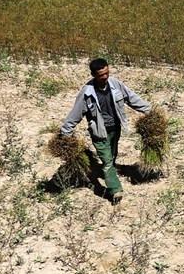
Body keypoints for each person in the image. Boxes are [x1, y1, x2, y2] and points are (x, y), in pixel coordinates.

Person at [59, 58, 151, 205]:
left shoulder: (115, 84)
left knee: (113, 155)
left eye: (107, 73)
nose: (105, 77)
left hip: (115, 128)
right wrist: (65, 132)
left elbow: (131, 98)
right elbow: (75, 114)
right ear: (93, 75)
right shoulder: (87, 93)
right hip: (99, 132)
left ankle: (109, 174)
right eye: (101, 75)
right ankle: (115, 190)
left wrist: (149, 110)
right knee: (107, 161)